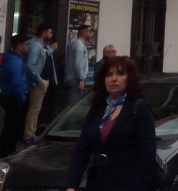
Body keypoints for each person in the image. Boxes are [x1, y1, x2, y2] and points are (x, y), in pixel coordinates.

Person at [66, 56, 157, 191]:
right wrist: (71, 185)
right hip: (97, 183)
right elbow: (82, 150)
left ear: (129, 78)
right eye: (109, 75)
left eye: (120, 74)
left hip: (127, 184)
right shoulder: (97, 109)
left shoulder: (140, 108)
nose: (114, 79)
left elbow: (147, 155)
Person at [25, 24, 58, 143]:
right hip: (38, 82)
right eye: (49, 33)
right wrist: (39, 80)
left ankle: (31, 133)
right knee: (34, 109)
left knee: (36, 109)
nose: (51, 36)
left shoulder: (41, 46)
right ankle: (29, 135)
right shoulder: (36, 46)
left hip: (42, 81)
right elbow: (30, 65)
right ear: (44, 33)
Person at [0, 34, 30, 159]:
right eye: (26, 44)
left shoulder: (12, 59)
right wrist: (22, 98)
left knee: (10, 126)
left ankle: (7, 152)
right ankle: (7, 153)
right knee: (11, 128)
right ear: (19, 46)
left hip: (8, 96)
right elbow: (17, 83)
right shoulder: (15, 62)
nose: (28, 47)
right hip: (13, 98)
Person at [65, 25, 93, 104]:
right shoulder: (79, 45)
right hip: (75, 79)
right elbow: (78, 63)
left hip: (71, 78)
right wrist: (81, 79)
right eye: (90, 32)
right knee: (73, 105)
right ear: (85, 32)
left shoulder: (73, 43)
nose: (91, 35)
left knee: (71, 104)